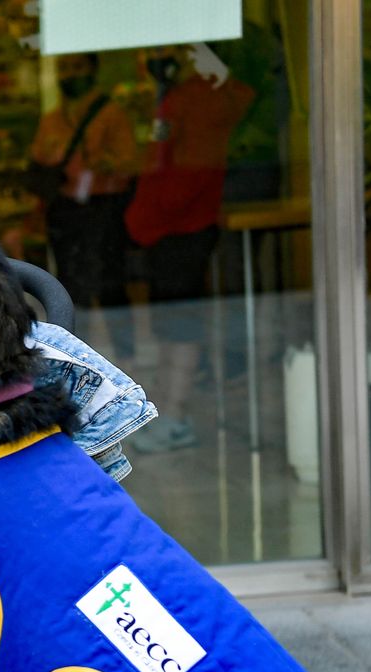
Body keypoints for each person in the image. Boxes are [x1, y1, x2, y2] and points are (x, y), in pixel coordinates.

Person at [123, 42, 255, 452]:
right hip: (172, 225)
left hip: (178, 226)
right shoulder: (187, 97)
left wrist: (145, 218)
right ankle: (168, 412)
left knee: (178, 323)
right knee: (170, 323)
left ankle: (175, 417)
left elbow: (186, 172)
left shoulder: (198, 100)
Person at [28, 52, 139, 358]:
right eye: (64, 67)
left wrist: (106, 163)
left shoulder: (111, 113)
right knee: (71, 286)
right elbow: (38, 163)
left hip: (103, 207)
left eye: (76, 67)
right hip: (65, 209)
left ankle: (124, 355)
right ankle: (79, 354)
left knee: (110, 283)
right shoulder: (52, 119)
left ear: (92, 69)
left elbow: (131, 162)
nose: (69, 75)